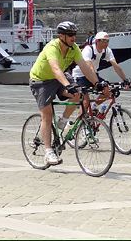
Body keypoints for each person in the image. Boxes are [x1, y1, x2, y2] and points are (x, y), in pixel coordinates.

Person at [29, 21, 100, 166]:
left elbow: (85, 68)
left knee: (78, 94)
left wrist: (97, 83)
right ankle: (48, 152)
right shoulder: (52, 47)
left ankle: (63, 120)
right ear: (61, 36)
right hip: (41, 81)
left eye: (74, 34)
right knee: (47, 115)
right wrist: (68, 85)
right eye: (70, 35)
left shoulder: (74, 48)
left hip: (59, 78)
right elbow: (55, 68)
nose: (73, 37)